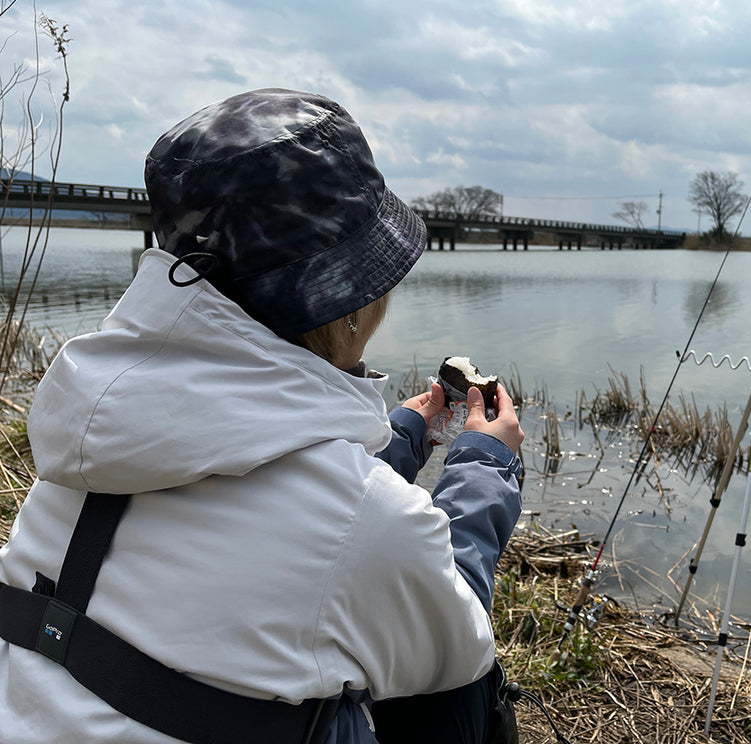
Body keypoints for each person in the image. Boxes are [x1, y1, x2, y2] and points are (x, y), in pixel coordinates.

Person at [0, 88, 524, 744]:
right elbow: (459, 638)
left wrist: (406, 432)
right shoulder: (368, 518)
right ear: (348, 304)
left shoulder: (86, 439)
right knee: (462, 698)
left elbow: (269, 491)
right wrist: (485, 461)